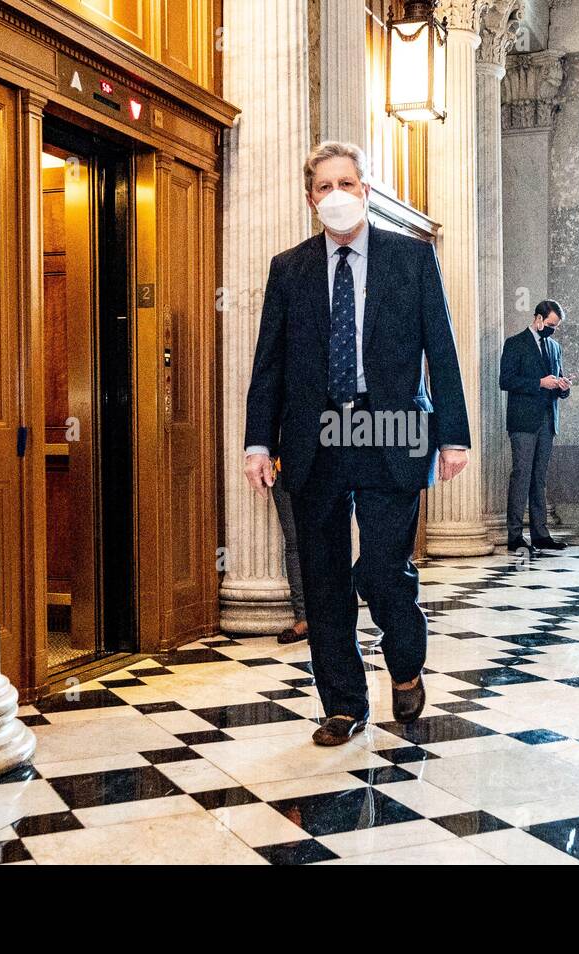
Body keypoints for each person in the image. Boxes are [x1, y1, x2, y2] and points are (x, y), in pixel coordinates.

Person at [243, 141, 471, 747]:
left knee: (380, 568)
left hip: (389, 429)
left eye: (347, 183)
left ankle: (404, 659)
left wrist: (453, 435)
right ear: (310, 197)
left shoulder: (411, 258)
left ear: (365, 190)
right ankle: (342, 704)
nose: (336, 195)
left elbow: (441, 349)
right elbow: (269, 363)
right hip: (316, 434)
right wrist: (257, 443)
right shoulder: (289, 268)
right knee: (321, 578)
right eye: (324, 186)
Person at [499, 300, 571, 552]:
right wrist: (539, 383)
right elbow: (505, 380)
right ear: (538, 318)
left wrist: (563, 387)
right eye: (550, 325)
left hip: (547, 420)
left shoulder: (554, 347)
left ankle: (540, 534)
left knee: (539, 478)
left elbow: (557, 381)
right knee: (521, 476)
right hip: (523, 421)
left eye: (556, 326)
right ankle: (515, 536)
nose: (553, 330)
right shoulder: (515, 343)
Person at [269, 458, 308, 644]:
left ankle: (329, 616)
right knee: (293, 542)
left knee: (329, 541)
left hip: (328, 463)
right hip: (283, 466)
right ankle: (302, 618)